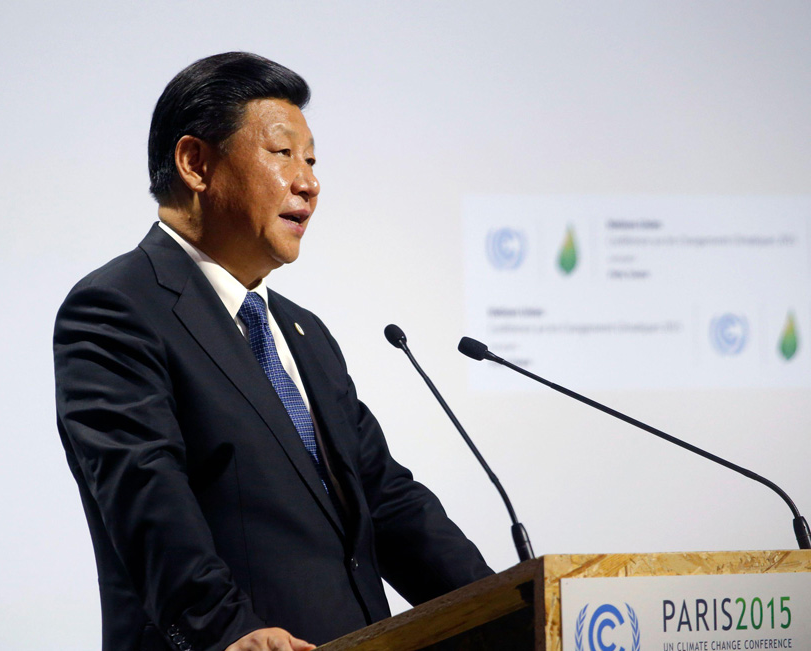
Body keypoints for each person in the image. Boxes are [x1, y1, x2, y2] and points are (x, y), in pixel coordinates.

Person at [53, 52, 493, 651]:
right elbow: (146, 497)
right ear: (195, 163)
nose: (309, 182)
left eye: (311, 160)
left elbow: (385, 499)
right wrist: (231, 633)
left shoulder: (302, 333)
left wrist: (506, 603)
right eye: (284, 154)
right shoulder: (116, 309)